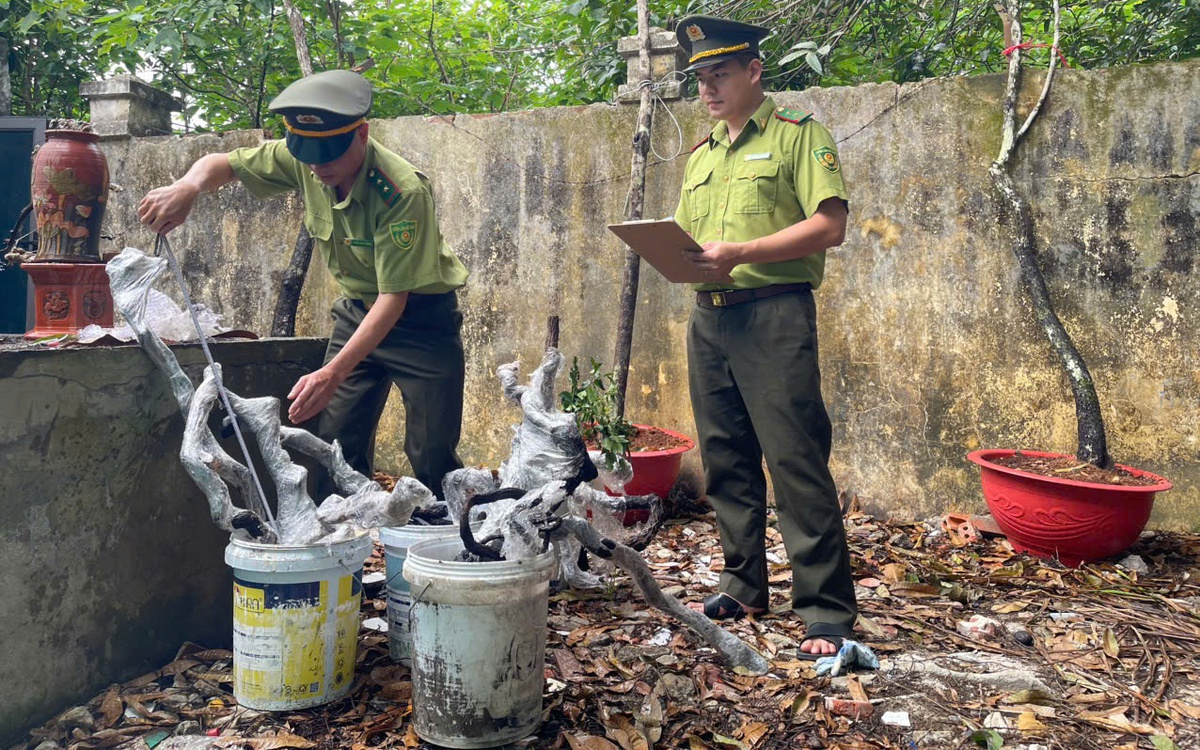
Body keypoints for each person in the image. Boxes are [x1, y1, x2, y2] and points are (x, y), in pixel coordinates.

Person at [138, 69, 468, 499]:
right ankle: (345, 536)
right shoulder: (307, 160)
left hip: (422, 322)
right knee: (335, 447)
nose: (317, 167)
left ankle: (447, 535)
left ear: (362, 134)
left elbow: (393, 300)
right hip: (358, 312)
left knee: (431, 454)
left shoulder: (401, 192)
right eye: (307, 155)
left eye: (328, 155)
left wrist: (331, 373)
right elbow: (223, 164)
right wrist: (188, 186)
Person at [673, 15, 858, 657]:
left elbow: (830, 226)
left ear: (754, 71)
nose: (707, 88)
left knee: (794, 458)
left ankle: (825, 609)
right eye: (700, 77)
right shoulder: (702, 156)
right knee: (725, 456)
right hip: (709, 318)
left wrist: (744, 250)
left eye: (719, 74)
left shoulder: (797, 137)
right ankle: (742, 583)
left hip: (773, 313)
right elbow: (690, 239)